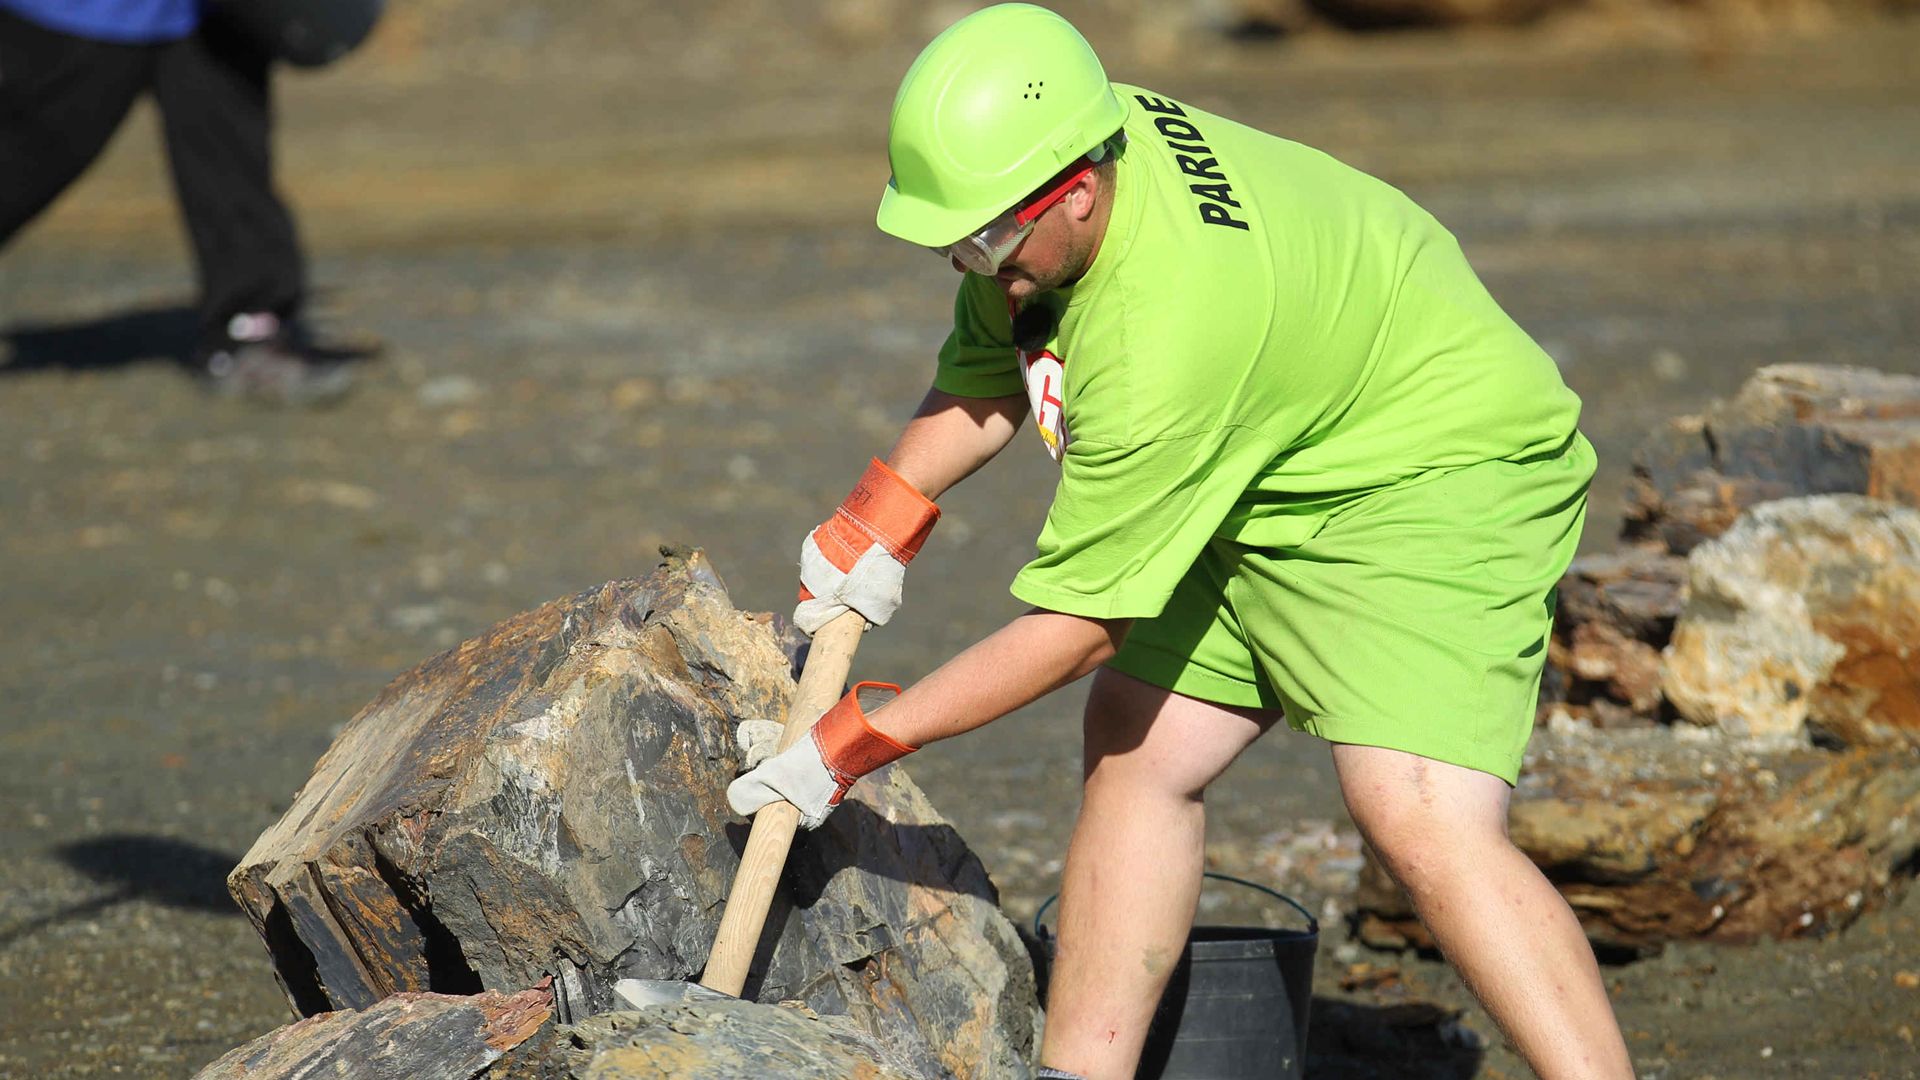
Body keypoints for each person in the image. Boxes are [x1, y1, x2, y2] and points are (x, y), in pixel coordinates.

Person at [728, 5, 1634, 1077]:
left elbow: (1081, 627)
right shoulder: (1052, 177)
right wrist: (878, 514)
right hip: (1278, 435)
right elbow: (988, 374)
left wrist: (853, 744)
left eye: (983, 241)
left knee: (1418, 811)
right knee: (1141, 744)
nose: (970, 265)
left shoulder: (1164, 334)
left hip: (1435, 462)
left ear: (1076, 190)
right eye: (949, 242)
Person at [0, 0, 368, 404]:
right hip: (86, 13)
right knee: (24, 163)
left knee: (233, 165)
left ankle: (249, 330)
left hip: (211, 15)